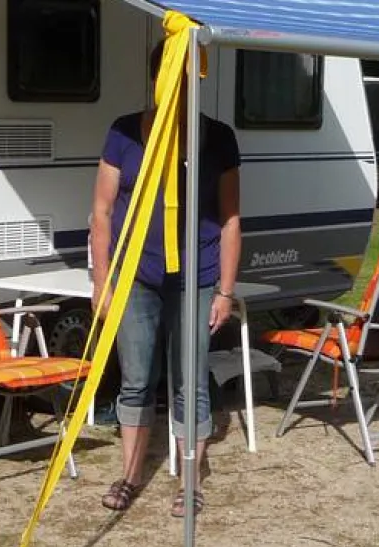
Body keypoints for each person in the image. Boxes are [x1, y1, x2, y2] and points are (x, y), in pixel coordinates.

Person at [87, 38, 242, 517]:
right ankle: (130, 476)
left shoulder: (217, 137)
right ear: (157, 78)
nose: (177, 85)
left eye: (187, 76)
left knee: (189, 383)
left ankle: (188, 483)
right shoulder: (125, 133)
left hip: (196, 277)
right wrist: (101, 281)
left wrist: (226, 292)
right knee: (135, 380)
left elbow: (232, 218)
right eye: (169, 75)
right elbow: (101, 210)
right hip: (136, 275)